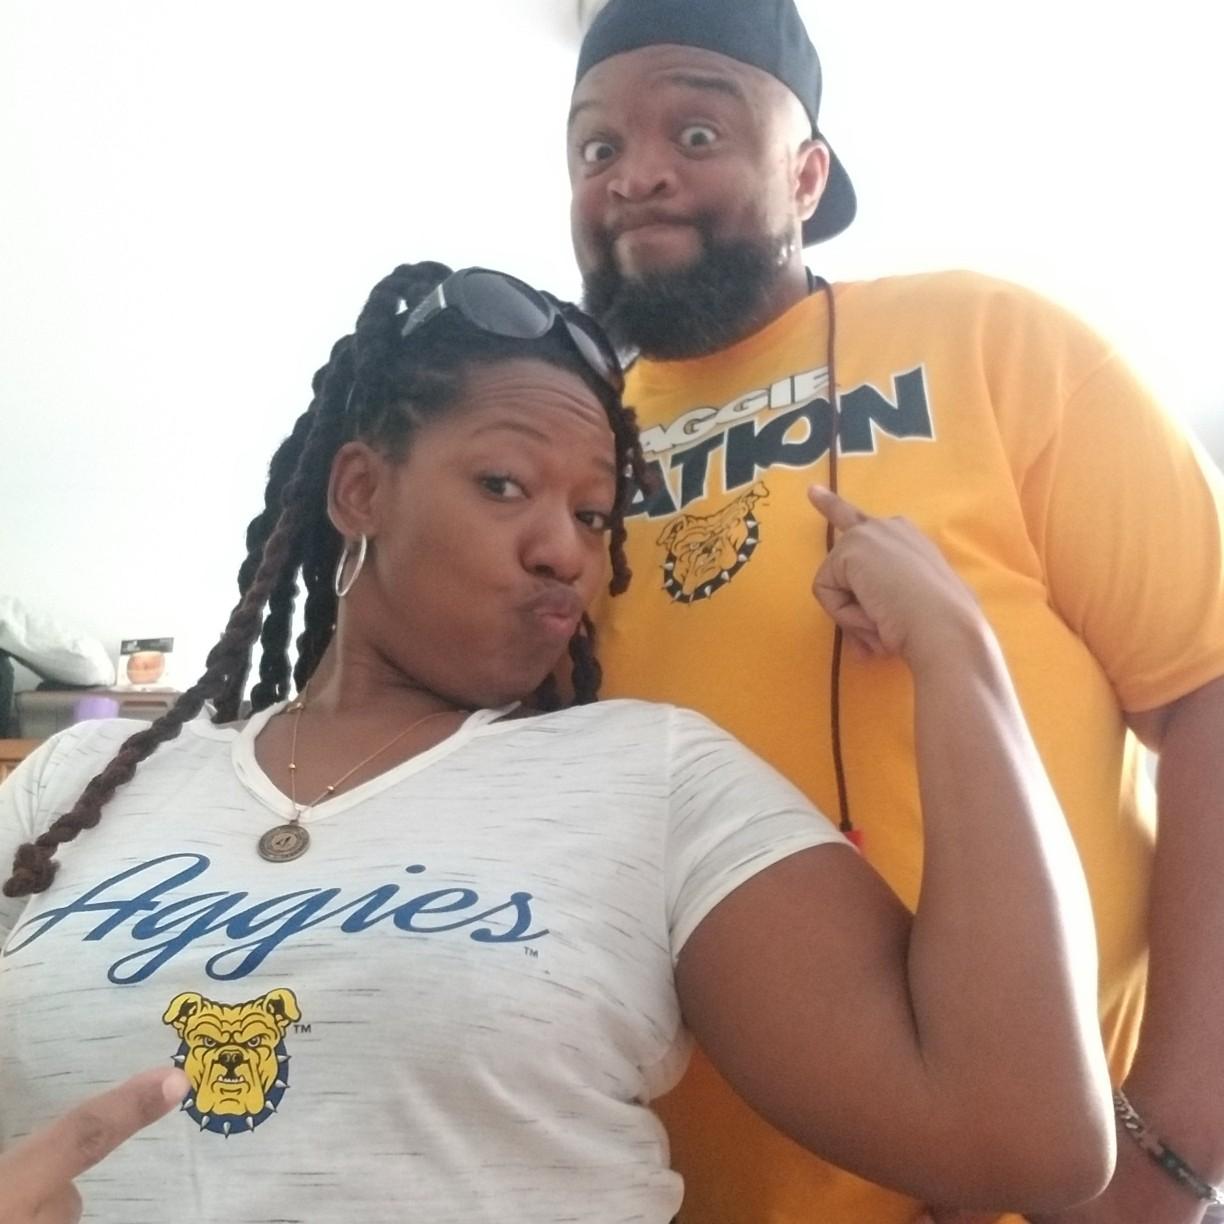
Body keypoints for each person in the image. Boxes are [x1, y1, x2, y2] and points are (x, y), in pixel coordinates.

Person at [0, 262, 1113, 1223]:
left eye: (592, 514)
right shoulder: (75, 784)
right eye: (504, 486)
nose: (565, 552)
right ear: (360, 490)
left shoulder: (652, 779)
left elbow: (1023, 1136)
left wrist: (960, 658)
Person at [566, 2, 1224, 1223]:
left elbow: (1210, 694)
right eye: (597, 146)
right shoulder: (560, 446)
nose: (637, 173)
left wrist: (1179, 1147)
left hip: (1053, 1188)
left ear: (806, 174)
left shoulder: (992, 341)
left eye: (697, 131)